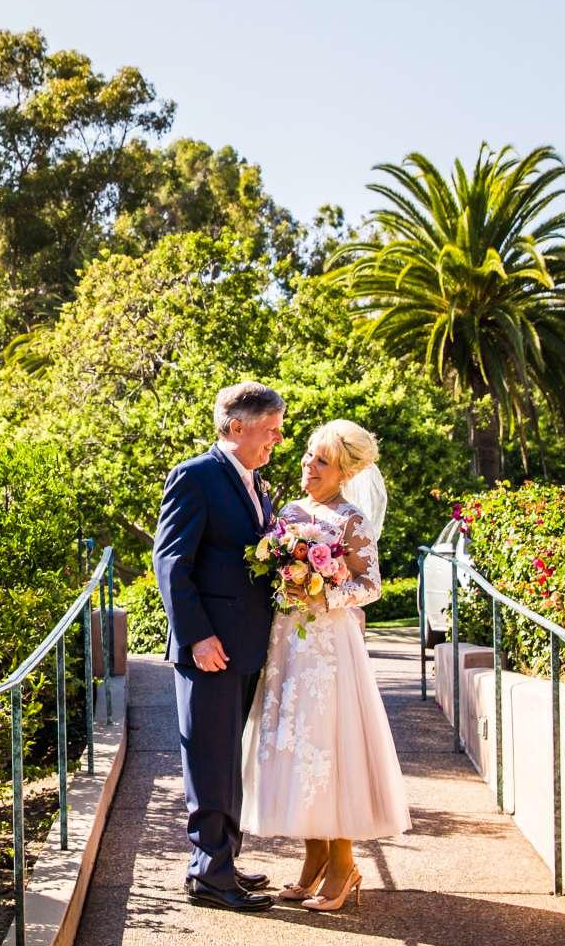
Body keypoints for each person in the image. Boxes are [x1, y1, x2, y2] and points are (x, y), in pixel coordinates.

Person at [241, 419, 412, 910]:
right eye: (307, 456)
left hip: (329, 652)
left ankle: (343, 867)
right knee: (296, 750)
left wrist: (323, 590)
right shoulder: (289, 512)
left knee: (326, 749)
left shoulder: (351, 520)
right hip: (287, 646)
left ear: (343, 472)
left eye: (320, 461)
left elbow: (370, 585)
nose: (307, 465)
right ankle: (313, 861)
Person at [152, 380, 285, 912]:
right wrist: (198, 635)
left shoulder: (257, 483)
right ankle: (210, 874)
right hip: (210, 648)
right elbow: (170, 562)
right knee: (208, 759)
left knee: (228, 759)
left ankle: (221, 860)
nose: (277, 437)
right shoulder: (196, 477)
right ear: (236, 427)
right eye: (269, 428)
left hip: (245, 649)